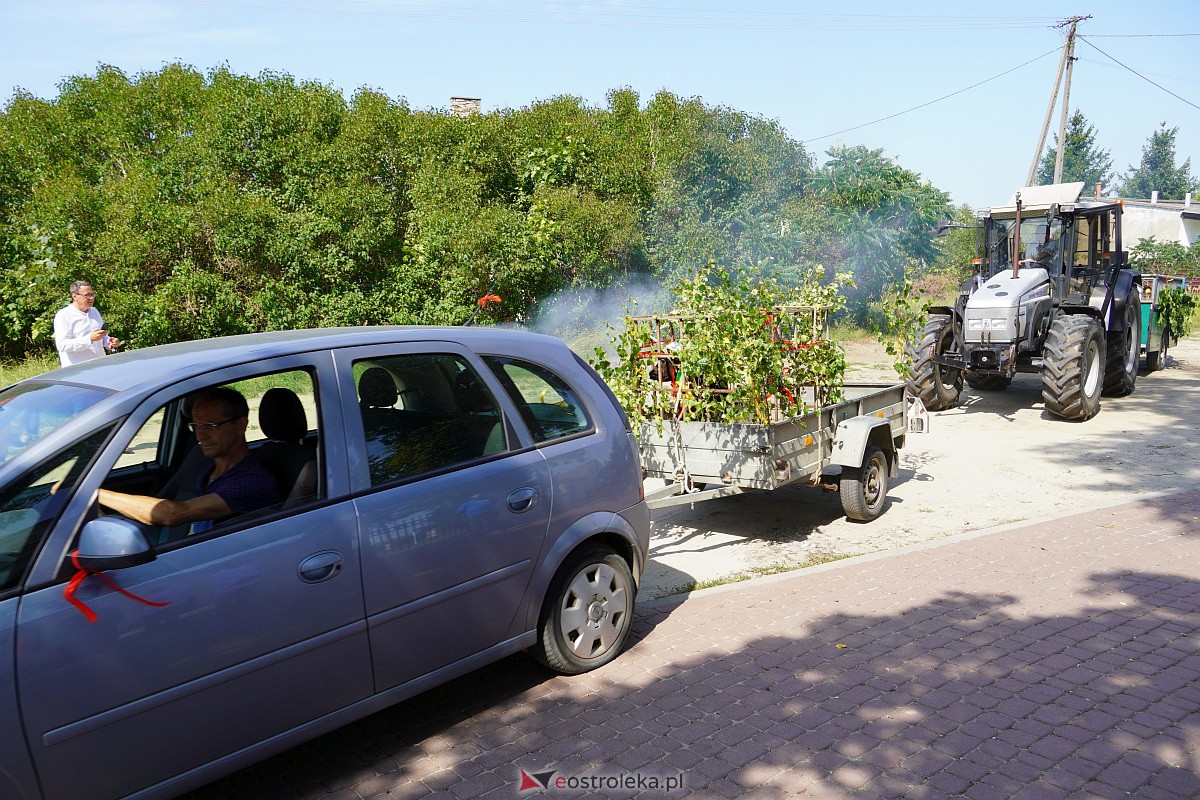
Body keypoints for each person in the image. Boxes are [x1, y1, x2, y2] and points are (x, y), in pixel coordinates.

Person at [98, 387, 281, 534]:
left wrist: (94, 494)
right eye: (196, 426)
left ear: (240, 425)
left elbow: (173, 514)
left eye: (210, 426)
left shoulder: (253, 481)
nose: (201, 435)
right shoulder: (209, 470)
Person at [53, 280, 121, 367]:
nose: (91, 298)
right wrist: (89, 339)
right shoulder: (64, 315)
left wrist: (109, 341)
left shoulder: (94, 311)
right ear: (74, 296)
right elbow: (62, 345)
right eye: (87, 295)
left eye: (92, 294)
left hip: (100, 366)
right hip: (77, 370)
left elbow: (100, 337)